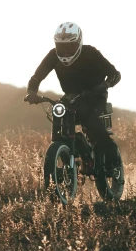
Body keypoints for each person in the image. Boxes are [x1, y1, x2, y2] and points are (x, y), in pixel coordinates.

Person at [24, 22, 122, 170]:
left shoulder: (91, 53)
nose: (65, 51)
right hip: (71, 96)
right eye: (61, 46)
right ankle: (66, 148)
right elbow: (36, 77)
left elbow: (115, 74)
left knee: (89, 118)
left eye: (69, 47)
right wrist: (31, 92)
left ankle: (112, 158)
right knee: (59, 113)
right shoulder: (53, 55)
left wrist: (104, 85)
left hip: (96, 95)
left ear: (78, 42)